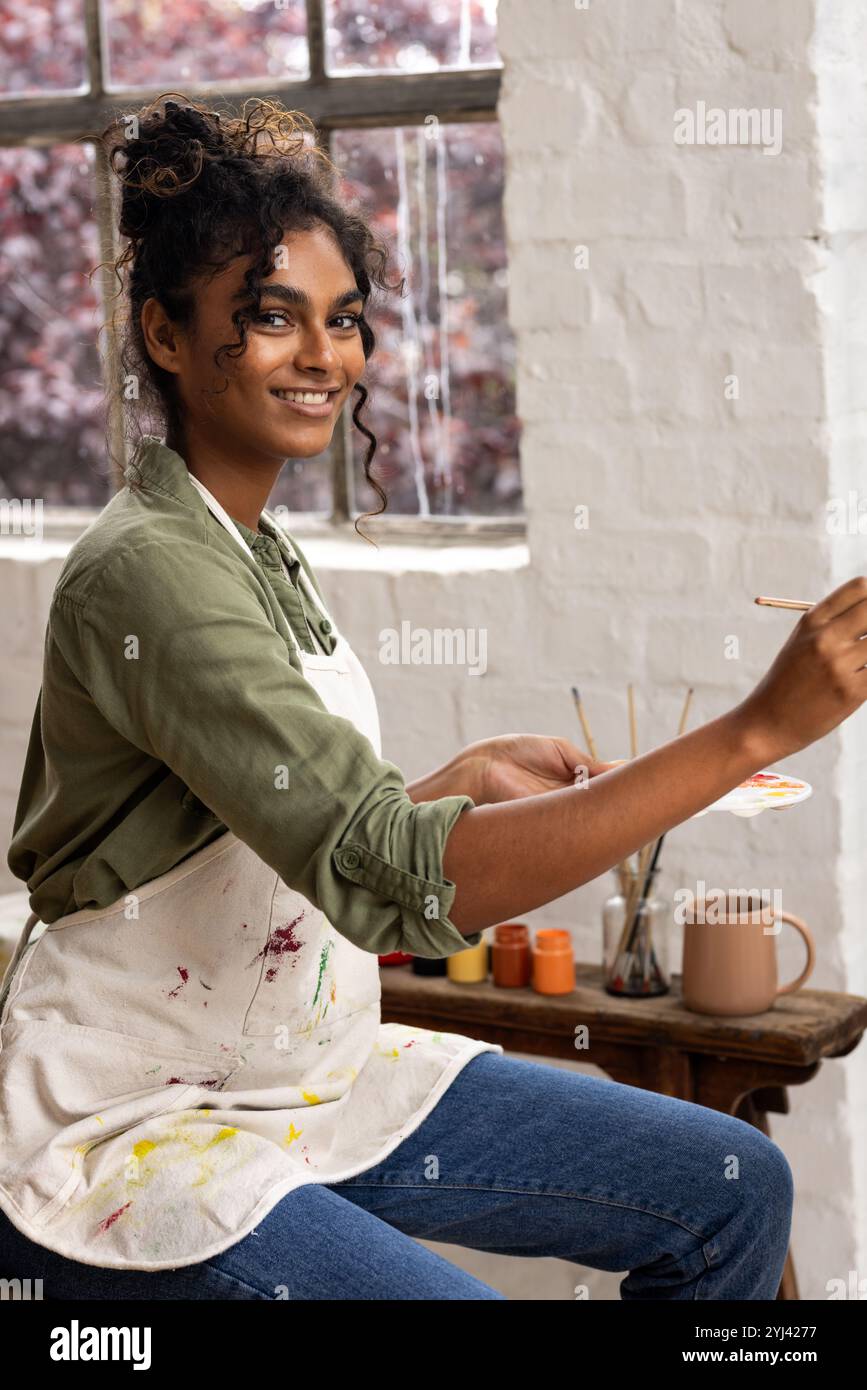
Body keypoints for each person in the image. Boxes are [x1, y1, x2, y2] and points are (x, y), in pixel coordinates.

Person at [1, 95, 864, 1301]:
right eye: (270, 318)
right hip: (138, 1115)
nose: (323, 356)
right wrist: (759, 730)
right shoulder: (150, 569)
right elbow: (394, 875)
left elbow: (267, 830)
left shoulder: (249, 545)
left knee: (734, 1187)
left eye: (343, 320)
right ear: (163, 333)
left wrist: (449, 787)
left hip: (307, 1075)